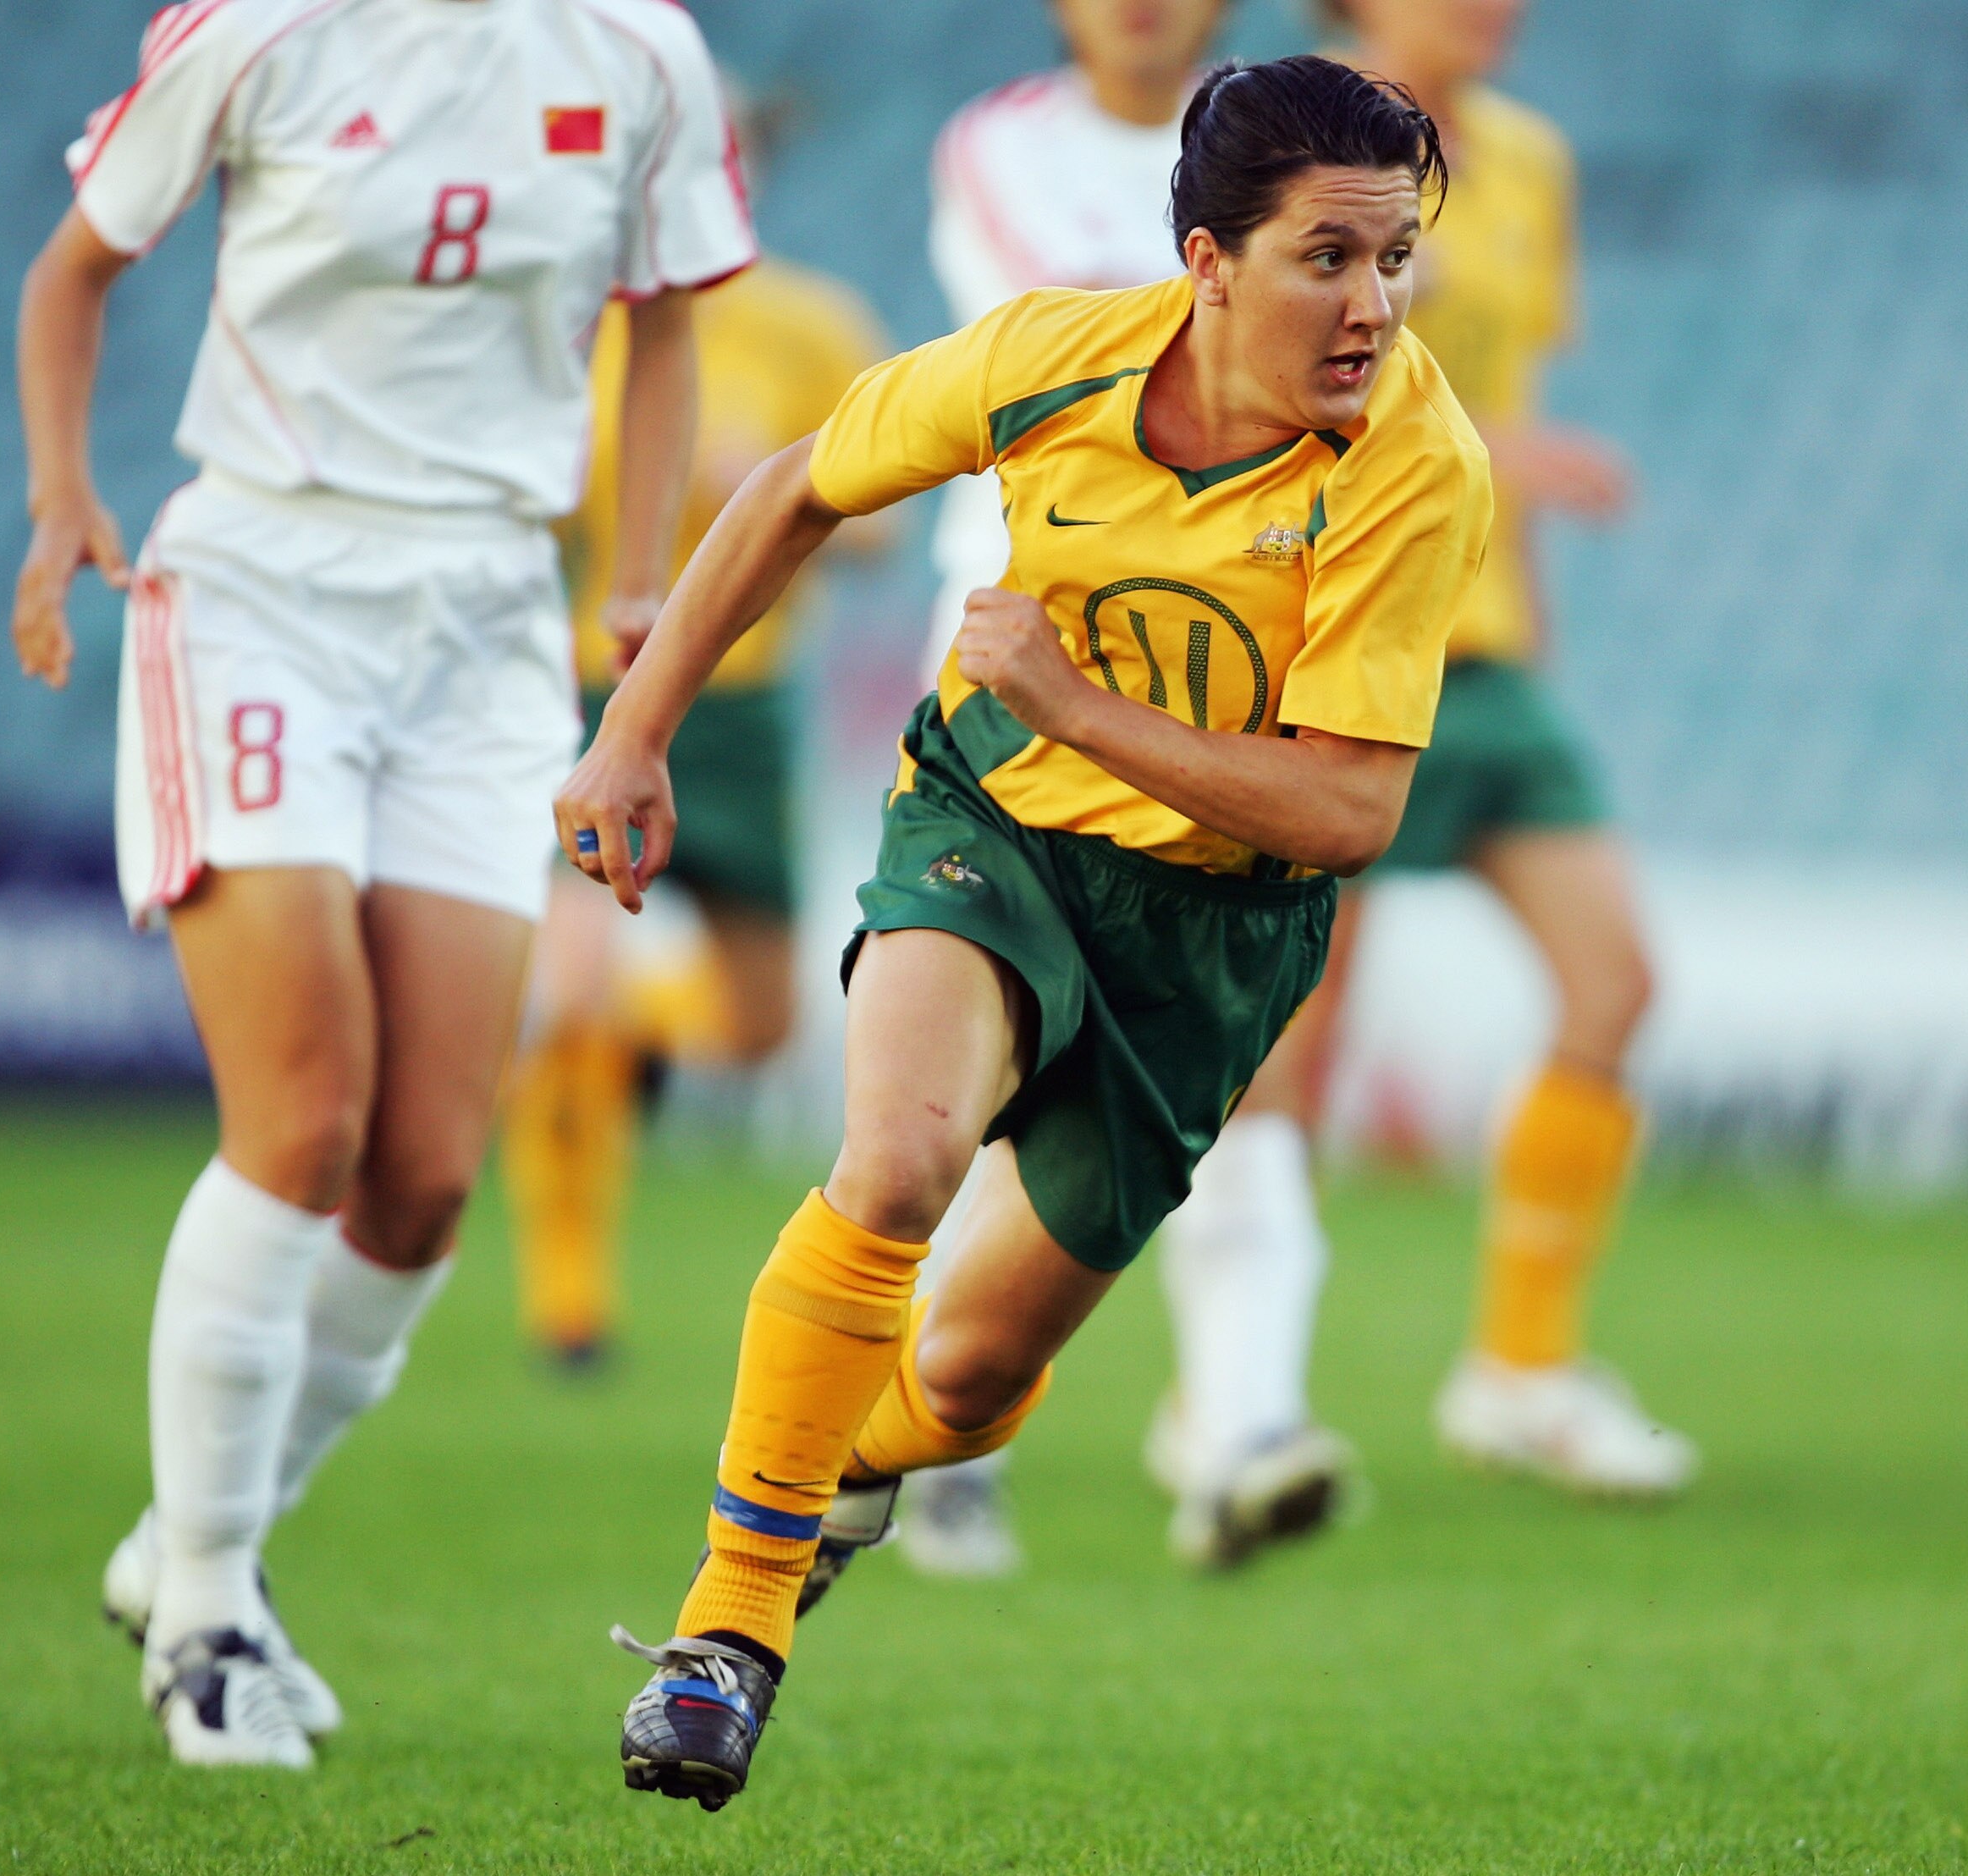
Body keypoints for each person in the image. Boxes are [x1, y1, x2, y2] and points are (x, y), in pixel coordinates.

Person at [558, 56, 1491, 1810]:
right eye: (1328, 259)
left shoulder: (1415, 463)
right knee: (897, 1163)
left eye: (1396, 260)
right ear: (1206, 262)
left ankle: (844, 1474)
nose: (1373, 304)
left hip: (1215, 937)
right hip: (992, 833)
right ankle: (727, 1636)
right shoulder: (1052, 354)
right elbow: (793, 493)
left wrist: (1072, 698)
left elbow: (1350, 811)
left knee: (975, 1376)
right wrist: (633, 729)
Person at [12, 0, 750, 1768]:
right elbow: (70, 275)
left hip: (488, 617)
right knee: (306, 1122)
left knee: (422, 1181)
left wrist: (635, 590)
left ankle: (194, 1537)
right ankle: (203, 1614)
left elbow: (667, 329)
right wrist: (59, 498)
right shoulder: (260, 30)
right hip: (266, 579)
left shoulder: (641, 48)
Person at [1171, 0, 1699, 1498]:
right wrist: (1507, 462)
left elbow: (1506, 387)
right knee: (1298, 1047)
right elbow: (1251, 384)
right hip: (1341, 637)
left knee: (1617, 981)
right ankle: (1234, 1397)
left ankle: (1520, 1371)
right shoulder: (1291, 157)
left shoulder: (1529, 162)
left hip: (1496, 657)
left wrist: (1522, 557)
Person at [911, 0, 1359, 1579]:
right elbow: (1113, 329)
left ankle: (1239, 1426)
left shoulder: (1316, 165)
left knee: (1244, 1058)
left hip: (1258, 653)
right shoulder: (1001, 148)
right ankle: (941, 1434)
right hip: (1032, 661)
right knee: (982, 1085)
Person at [504, 124, 889, 1369]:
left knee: (767, 1024)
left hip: (747, 706)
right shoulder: (584, 327)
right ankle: (571, 1299)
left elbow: (884, 525)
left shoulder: (816, 324)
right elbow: (518, 509)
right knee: (573, 992)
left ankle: (641, 1043)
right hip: (599, 684)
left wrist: (778, 498)